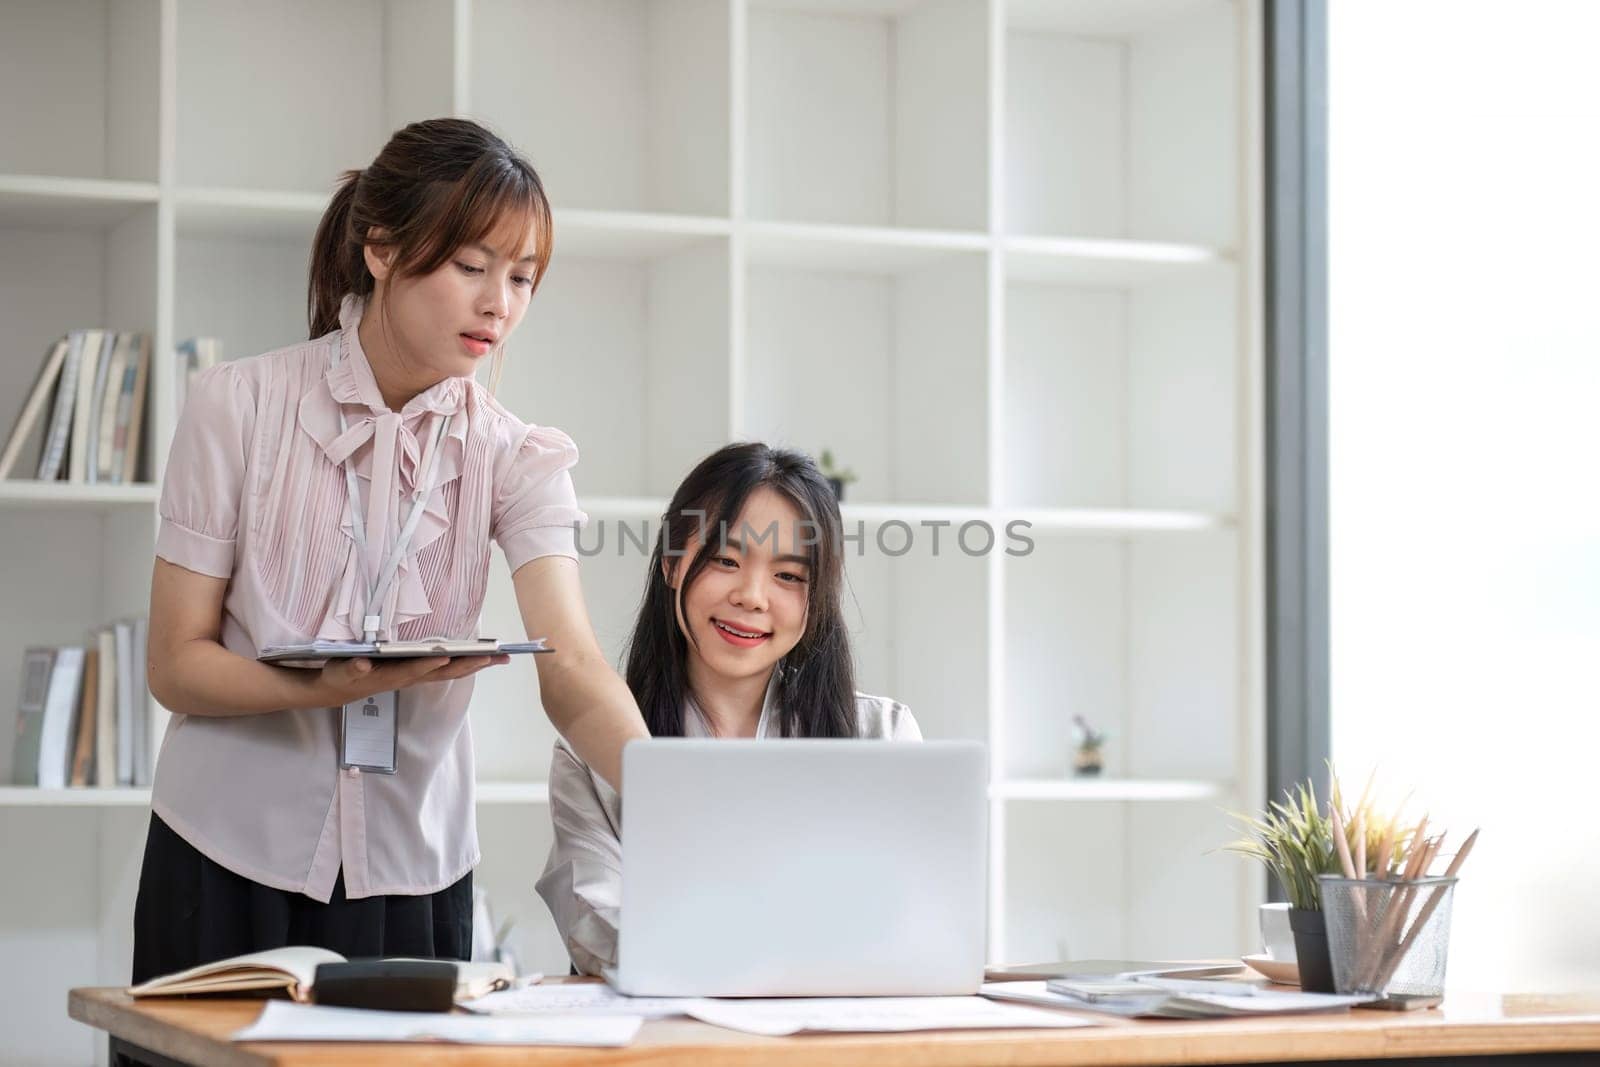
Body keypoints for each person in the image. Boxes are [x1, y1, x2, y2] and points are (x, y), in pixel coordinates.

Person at [134, 118, 647, 984]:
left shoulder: (516, 453)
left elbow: (576, 662)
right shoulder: (237, 406)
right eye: (472, 266)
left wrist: (679, 800)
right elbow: (174, 664)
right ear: (380, 249)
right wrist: (319, 685)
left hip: (413, 869)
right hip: (223, 854)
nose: (501, 305)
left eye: (523, 277)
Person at [536, 443, 921, 976]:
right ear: (672, 562)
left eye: (789, 576)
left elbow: (910, 916)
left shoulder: (882, 735)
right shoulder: (592, 753)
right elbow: (596, 925)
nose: (753, 596)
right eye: (725, 560)